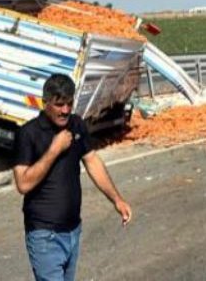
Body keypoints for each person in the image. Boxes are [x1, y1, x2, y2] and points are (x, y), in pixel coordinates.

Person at [14, 74, 133, 281]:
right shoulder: (29, 133)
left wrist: (117, 200)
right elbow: (23, 184)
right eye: (59, 105)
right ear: (45, 103)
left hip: (72, 232)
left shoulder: (76, 124)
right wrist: (54, 149)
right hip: (44, 235)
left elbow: (93, 162)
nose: (66, 110)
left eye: (69, 103)